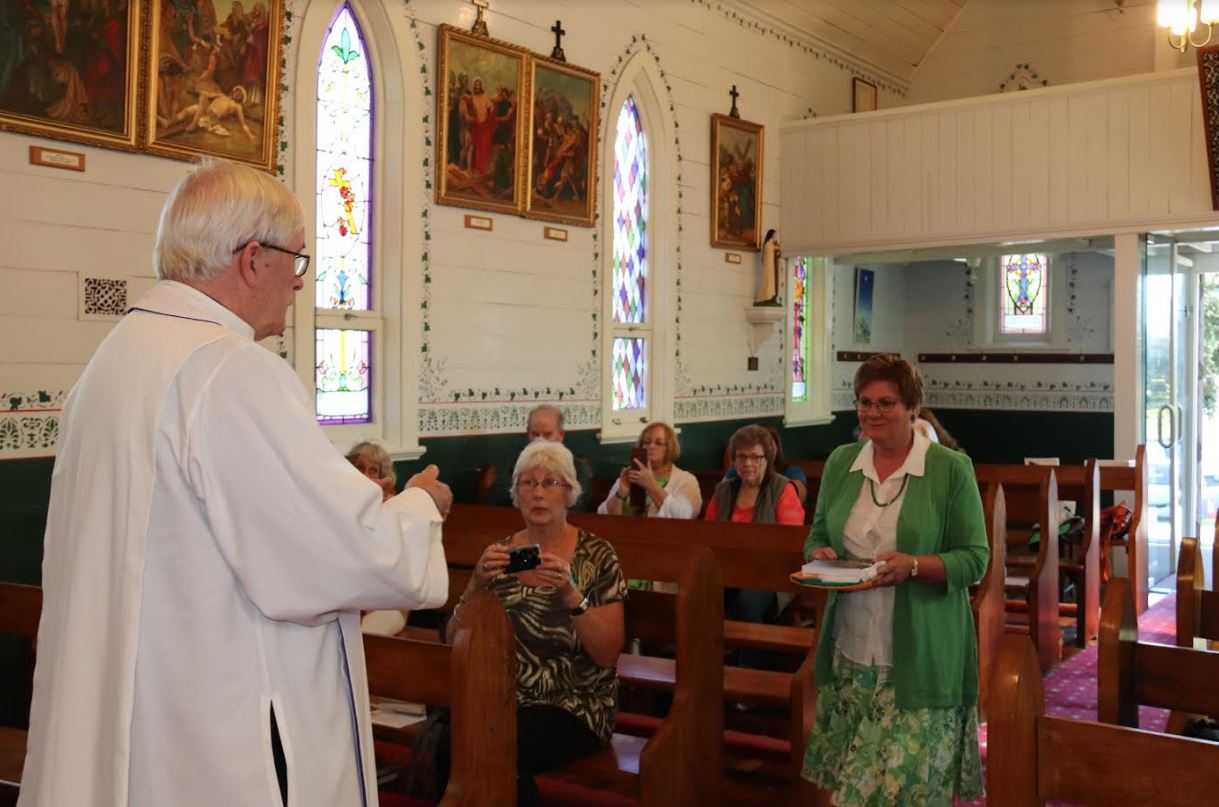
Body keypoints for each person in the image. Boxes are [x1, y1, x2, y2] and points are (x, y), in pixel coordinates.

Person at [19, 159, 453, 807]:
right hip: (220, 728)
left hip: (135, 713)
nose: (299, 282)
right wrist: (421, 505)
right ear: (253, 259)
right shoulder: (229, 370)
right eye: (297, 260)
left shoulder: (112, 361)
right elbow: (338, 552)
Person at [801, 354, 988, 806]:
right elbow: (818, 533)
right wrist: (820, 555)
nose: (873, 412)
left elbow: (974, 560)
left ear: (912, 407)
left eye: (886, 403)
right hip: (852, 652)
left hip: (919, 655)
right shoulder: (842, 462)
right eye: (864, 402)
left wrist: (914, 566)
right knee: (853, 791)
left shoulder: (949, 468)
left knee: (906, 793)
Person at [433, 440, 626, 805]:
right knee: (447, 746)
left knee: (499, 750)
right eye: (528, 483)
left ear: (569, 493)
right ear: (516, 494)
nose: (538, 493)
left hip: (575, 703)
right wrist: (475, 585)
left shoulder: (598, 556)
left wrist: (571, 594)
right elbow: (454, 640)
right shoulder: (503, 554)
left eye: (550, 483)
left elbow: (607, 654)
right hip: (506, 696)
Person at [705, 424, 805, 626]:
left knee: (745, 604)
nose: (747, 463)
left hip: (773, 574)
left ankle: (750, 647)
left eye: (755, 457)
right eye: (741, 457)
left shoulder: (782, 489)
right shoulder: (723, 491)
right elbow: (707, 533)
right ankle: (711, 646)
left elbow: (790, 544)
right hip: (728, 569)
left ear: (767, 458)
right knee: (702, 594)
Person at [346, 441, 412, 637]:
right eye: (359, 468)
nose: (365, 476)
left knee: (362, 635)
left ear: (384, 477)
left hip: (388, 603)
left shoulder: (394, 507)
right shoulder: (342, 505)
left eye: (373, 470)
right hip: (352, 599)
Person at [598, 421, 701, 519]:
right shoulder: (631, 474)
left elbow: (684, 516)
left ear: (670, 448)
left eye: (658, 443)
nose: (651, 446)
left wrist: (651, 485)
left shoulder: (686, 480)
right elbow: (603, 514)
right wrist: (620, 494)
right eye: (647, 442)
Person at [723, 423, 808, 505]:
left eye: (768, 444)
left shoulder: (792, 473)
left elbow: (796, 498)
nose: (748, 463)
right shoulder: (735, 472)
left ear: (776, 447)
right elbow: (722, 497)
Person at [755, 228, 781, 305]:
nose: (775, 236)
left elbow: (776, 249)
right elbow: (771, 249)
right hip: (768, 264)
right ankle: (766, 296)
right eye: (774, 234)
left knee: (771, 279)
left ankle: (770, 295)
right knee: (768, 279)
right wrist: (776, 247)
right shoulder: (768, 243)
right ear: (771, 234)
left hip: (771, 264)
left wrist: (777, 247)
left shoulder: (771, 243)